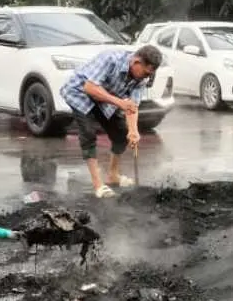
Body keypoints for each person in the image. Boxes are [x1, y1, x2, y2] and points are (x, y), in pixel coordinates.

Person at [60, 46, 162, 198]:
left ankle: (113, 175)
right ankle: (98, 185)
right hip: (79, 93)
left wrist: (133, 131)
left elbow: (132, 106)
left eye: (150, 74)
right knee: (88, 133)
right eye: (146, 73)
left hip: (104, 95)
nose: (146, 78)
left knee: (121, 133)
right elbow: (90, 87)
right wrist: (119, 102)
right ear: (136, 62)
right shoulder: (110, 59)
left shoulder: (141, 78)